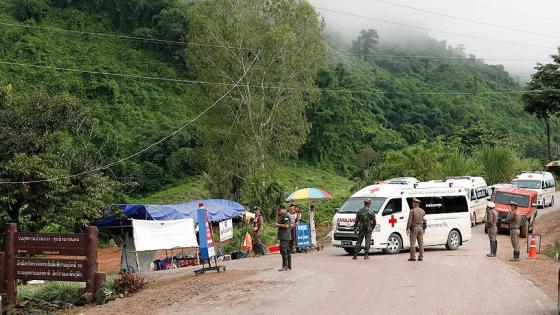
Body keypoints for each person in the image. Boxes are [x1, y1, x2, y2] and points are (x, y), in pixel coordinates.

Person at [406, 198, 427, 262]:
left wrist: (407, 228)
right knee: (421, 243)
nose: (412, 204)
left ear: (415, 204)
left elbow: (409, 221)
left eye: (413, 203)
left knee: (412, 243)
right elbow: (425, 221)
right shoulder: (422, 211)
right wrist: (424, 228)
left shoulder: (412, 211)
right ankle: (421, 257)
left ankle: (413, 257)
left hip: (414, 229)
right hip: (420, 228)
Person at [275, 205, 292, 271]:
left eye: (279, 211)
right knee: (288, 251)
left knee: (283, 250)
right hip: (285, 236)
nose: (278, 212)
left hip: (285, 236)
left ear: (282, 209)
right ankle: (289, 266)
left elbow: (287, 225)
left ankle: (285, 266)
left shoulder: (286, 216)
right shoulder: (283, 216)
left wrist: (278, 225)